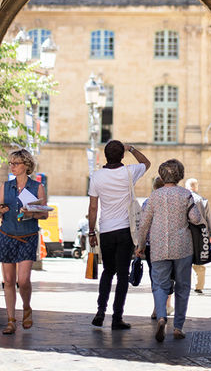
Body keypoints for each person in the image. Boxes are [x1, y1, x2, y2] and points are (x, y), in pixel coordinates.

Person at [136, 159, 202, 342]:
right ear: (180, 175)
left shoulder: (154, 197)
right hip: (182, 246)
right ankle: (178, 327)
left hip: (157, 246)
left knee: (159, 284)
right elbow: (195, 218)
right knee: (182, 286)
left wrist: (140, 246)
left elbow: (144, 225)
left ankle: (162, 316)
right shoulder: (185, 194)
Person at [88, 140, 150, 330]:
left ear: (106, 156)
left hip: (106, 230)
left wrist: (91, 231)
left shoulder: (96, 177)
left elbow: (93, 207)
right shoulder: (129, 172)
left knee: (107, 271)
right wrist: (130, 148)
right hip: (125, 230)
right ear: (122, 155)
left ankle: (100, 312)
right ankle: (117, 317)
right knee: (123, 274)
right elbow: (146, 163)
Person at [0, 148, 48, 335]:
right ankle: (10, 320)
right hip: (7, 235)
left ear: (26, 165)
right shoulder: (5, 186)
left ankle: (26, 307)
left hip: (28, 237)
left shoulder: (37, 187)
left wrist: (30, 213)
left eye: (16, 163)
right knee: (8, 280)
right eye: (11, 163)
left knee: (23, 280)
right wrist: (0, 211)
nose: (12, 167)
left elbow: (44, 214)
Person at [142, 176, 174, 319]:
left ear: (154, 187)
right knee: (169, 275)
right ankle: (166, 305)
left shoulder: (147, 203)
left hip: (152, 245)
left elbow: (143, 226)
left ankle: (157, 308)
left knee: (155, 276)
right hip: (170, 244)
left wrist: (140, 244)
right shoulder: (175, 202)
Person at [185, 178, 211, 294]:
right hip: (201, 232)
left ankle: (184, 284)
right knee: (199, 258)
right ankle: (199, 286)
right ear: (196, 187)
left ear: (187, 187)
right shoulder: (203, 201)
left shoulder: (184, 199)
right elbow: (209, 218)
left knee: (185, 259)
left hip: (186, 232)